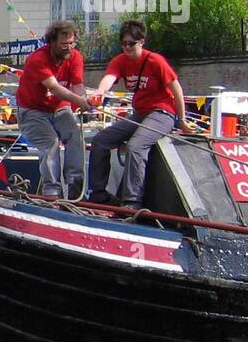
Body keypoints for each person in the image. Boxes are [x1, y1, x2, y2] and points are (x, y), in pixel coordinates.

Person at [88, 20, 191, 208]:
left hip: (162, 113)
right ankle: (98, 193)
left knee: (136, 146)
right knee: (100, 141)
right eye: (124, 43)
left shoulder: (155, 61)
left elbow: (176, 90)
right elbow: (109, 78)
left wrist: (181, 120)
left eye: (131, 43)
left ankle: (132, 201)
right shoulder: (120, 61)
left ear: (141, 42)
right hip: (140, 114)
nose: (127, 47)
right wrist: (100, 92)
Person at [16, 21, 93, 199]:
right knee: (50, 142)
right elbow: (55, 88)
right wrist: (78, 100)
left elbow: (77, 84)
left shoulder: (75, 57)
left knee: (75, 136)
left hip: (59, 108)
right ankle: (52, 192)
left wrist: (82, 101)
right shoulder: (38, 59)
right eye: (64, 44)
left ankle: (75, 184)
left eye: (72, 43)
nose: (69, 48)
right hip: (32, 110)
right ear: (52, 42)